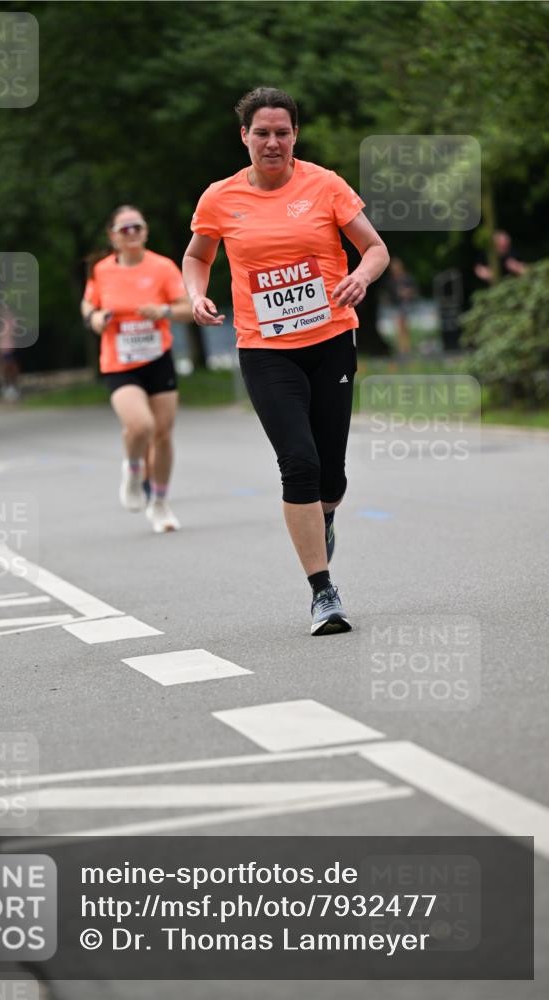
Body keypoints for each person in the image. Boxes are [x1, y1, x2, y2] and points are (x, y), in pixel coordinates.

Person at [183, 87, 389, 635]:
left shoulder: (324, 185)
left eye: (282, 132)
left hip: (330, 341)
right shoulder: (220, 198)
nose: (272, 142)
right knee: (298, 463)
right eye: (262, 132)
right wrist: (195, 294)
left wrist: (361, 276)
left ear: (295, 135)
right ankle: (323, 592)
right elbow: (198, 255)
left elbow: (375, 248)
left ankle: (324, 515)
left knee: (331, 477)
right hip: (265, 349)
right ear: (244, 136)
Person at [81, 205, 193, 533]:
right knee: (141, 426)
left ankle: (159, 503)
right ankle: (133, 471)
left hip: (158, 359)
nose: (132, 233)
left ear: (145, 231)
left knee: (163, 434)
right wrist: (95, 318)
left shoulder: (162, 267)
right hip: (120, 363)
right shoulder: (102, 271)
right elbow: (88, 303)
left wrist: (163, 311)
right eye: (124, 229)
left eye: (137, 227)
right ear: (112, 236)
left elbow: (188, 309)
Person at [386, 257, 418, 355]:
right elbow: (389, 295)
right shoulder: (391, 281)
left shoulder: (407, 278)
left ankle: (405, 348)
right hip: (395, 306)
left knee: (403, 326)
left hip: (406, 305)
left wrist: (406, 293)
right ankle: (403, 347)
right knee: (399, 327)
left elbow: (414, 291)